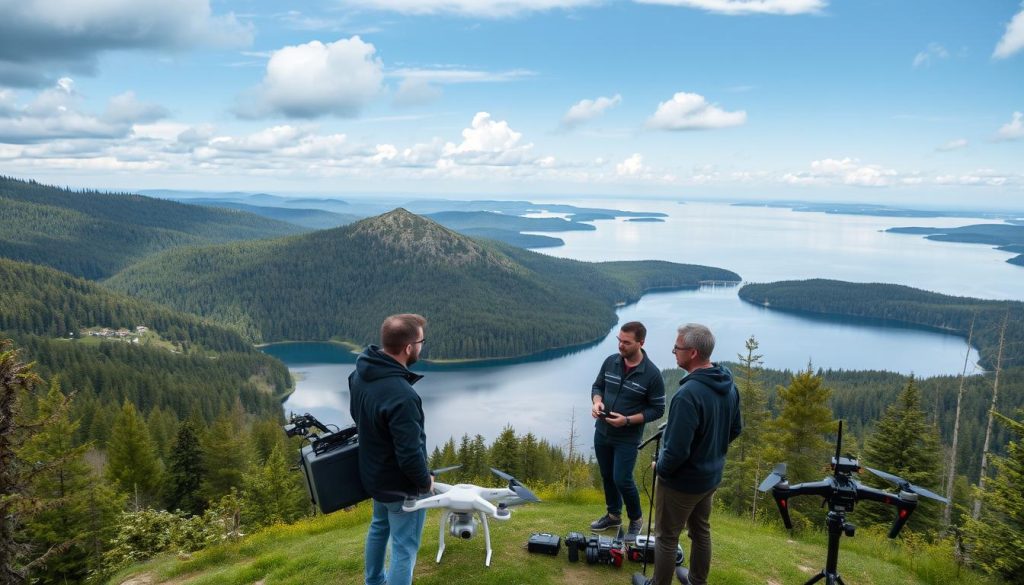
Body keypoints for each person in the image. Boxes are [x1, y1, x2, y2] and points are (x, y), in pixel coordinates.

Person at [632, 323, 742, 585]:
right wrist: (710, 453)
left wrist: (662, 467)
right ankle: (696, 580)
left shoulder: (688, 394)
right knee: (700, 530)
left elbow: (678, 450)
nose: (673, 351)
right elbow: (735, 429)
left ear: (692, 352)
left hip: (682, 483)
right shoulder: (728, 386)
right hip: (710, 477)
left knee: (667, 537)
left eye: (677, 348)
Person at [349, 313, 433, 585]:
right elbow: (410, 456)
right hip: (401, 488)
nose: (422, 345)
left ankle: (373, 581)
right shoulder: (402, 395)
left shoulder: (360, 374)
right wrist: (425, 482)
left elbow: (357, 416)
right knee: (404, 548)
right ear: (409, 347)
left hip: (374, 476)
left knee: (378, 528)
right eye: (421, 341)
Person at [591, 321, 666, 540]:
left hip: (627, 436)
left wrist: (626, 420)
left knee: (622, 478)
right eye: (619, 340)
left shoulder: (652, 374)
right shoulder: (610, 362)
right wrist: (597, 403)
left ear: (641, 343)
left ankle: (636, 519)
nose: (620, 346)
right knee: (607, 475)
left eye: (626, 342)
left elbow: (657, 409)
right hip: (602, 431)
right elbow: (598, 387)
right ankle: (614, 515)